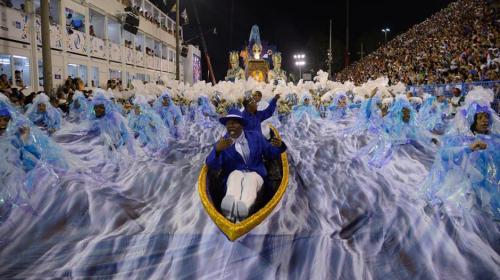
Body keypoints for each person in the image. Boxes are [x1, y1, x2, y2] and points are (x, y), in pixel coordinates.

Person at [206, 109, 287, 222]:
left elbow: (270, 153)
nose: (230, 126)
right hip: (233, 176)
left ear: (242, 125)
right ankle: (229, 208)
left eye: (234, 122)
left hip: (256, 173)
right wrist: (217, 151)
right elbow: (212, 165)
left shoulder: (256, 137)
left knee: (251, 179)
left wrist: (279, 146)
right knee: (235, 175)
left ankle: (243, 208)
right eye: (228, 123)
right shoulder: (222, 143)